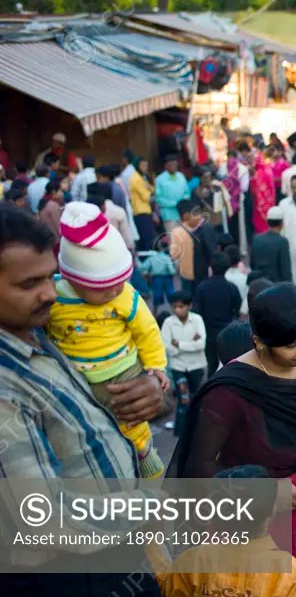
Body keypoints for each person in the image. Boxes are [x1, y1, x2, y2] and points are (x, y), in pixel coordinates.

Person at [0, 206, 168, 597]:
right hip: (70, 582)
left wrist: (153, 392)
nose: (51, 294)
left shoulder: (40, 337)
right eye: (30, 283)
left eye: (50, 277)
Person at [173, 283, 296, 597]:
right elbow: (197, 471)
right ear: (259, 342)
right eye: (290, 344)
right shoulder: (229, 391)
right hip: (253, 524)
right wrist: (263, 492)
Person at [45, 202, 168, 479]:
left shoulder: (124, 294)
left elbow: (146, 330)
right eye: (103, 288)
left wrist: (156, 367)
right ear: (73, 280)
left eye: (120, 282)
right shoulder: (53, 297)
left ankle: (145, 455)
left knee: (132, 420)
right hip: (79, 379)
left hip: (123, 372)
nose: (115, 290)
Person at [153, 464, 296, 597]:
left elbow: (165, 588)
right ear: (271, 514)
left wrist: (152, 538)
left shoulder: (199, 559)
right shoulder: (287, 572)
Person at [161, 290, 206, 435]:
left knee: (196, 397)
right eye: (174, 307)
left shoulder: (197, 319)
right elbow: (167, 346)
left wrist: (179, 344)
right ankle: (181, 431)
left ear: (189, 306)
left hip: (196, 365)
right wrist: (189, 344)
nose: (177, 310)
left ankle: (196, 428)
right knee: (183, 398)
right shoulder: (168, 322)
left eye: (181, 306)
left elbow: (201, 344)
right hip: (178, 366)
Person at [192, 252, 242, 376]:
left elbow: (196, 312)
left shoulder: (202, 287)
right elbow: (238, 309)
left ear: (211, 267)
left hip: (209, 332)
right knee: (229, 365)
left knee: (212, 366)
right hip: (228, 331)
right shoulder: (232, 288)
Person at [251, 206, 292, 283]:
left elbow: (252, 264)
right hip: (276, 287)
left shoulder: (257, 239)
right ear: (281, 223)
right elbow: (286, 272)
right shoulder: (282, 241)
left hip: (258, 285)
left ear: (267, 221)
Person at [154, 156, 190, 227]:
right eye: (170, 165)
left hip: (183, 214)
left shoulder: (181, 176)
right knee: (173, 236)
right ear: (165, 166)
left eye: (174, 164)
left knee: (185, 237)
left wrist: (182, 203)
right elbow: (159, 199)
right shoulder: (159, 179)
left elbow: (187, 192)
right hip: (169, 215)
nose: (173, 167)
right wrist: (174, 203)